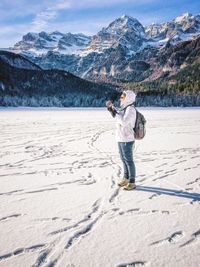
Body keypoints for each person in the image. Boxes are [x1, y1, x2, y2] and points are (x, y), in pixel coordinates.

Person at [106, 90, 137, 190]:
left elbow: (123, 122)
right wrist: (112, 109)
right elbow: (118, 116)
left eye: (123, 97)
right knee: (124, 160)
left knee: (129, 160)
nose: (121, 98)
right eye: (121, 96)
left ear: (128, 98)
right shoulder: (124, 108)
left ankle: (132, 181)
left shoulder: (131, 109)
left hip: (127, 139)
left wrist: (115, 111)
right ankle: (125, 178)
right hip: (120, 138)